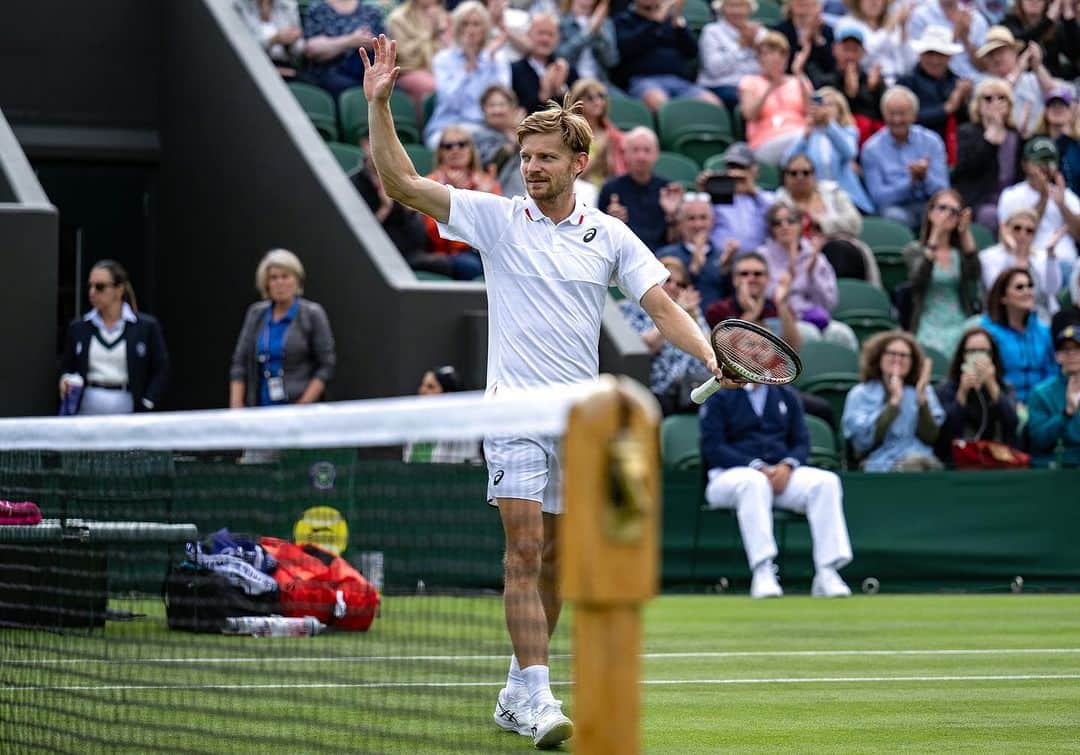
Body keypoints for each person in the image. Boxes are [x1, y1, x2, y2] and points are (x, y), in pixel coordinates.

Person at [360, 34, 732, 749]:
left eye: (545, 158)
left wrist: (709, 352)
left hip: (580, 422)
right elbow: (404, 185)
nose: (531, 168)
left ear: (578, 164)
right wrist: (381, 106)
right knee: (524, 550)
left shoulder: (610, 235)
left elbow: (660, 306)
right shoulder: (498, 220)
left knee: (558, 557)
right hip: (514, 412)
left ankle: (514, 688)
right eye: (526, 158)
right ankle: (537, 695)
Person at [701, 379, 854, 599]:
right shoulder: (719, 395)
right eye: (750, 346)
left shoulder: (786, 395)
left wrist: (788, 465)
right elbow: (713, 447)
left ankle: (827, 572)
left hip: (778, 476)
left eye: (763, 349)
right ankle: (763, 570)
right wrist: (756, 466)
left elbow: (801, 442)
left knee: (826, 482)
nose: (757, 354)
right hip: (728, 476)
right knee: (754, 482)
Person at [58, 260, 169, 415]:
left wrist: (148, 401)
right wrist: (65, 380)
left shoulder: (145, 327)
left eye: (100, 287)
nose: (92, 292)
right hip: (87, 408)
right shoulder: (79, 327)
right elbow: (67, 366)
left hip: (126, 407)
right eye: (90, 286)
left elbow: (161, 369)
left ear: (119, 289)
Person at [228, 249, 336, 409]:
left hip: (300, 406)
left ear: (297, 280)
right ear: (266, 283)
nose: (280, 283)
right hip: (261, 406)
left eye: (285, 276)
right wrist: (236, 405)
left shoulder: (311, 314)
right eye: (274, 278)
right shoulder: (256, 314)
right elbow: (239, 362)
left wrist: (303, 405)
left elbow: (326, 365)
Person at [757, 200, 859, 348]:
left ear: (800, 224)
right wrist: (790, 274)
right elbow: (766, 295)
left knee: (842, 334)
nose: (784, 226)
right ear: (771, 229)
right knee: (808, 334)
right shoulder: (762, 256)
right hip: (779, 319)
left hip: (814, 316)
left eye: (790, 221)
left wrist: (812, 273)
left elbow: (829, 302)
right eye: (777, 223)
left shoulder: (815, 256)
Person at [842, 330, 946, 471]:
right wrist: (893, 403)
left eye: (904, 355)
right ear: (879, 357)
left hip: (921, 459)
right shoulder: (860, 393)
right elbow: (862, 443)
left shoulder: (924, 391)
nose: (898, 359)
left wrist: (922, 402)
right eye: (891, 353)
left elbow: (930, 437)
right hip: (879, 461)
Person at [619, 257, 712, 413]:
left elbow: (710, 350)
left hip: (693, 389)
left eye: (680, 284)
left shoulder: (690, 310)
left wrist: (693, 317)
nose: (673, 287)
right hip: (655, 391)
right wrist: (675, 314)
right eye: (667, 280)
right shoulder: (632, 308)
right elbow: (646, 346)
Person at [901, 189, 982, 358]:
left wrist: (965, 232)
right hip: (928, 322)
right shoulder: (914, 250)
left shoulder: (958, 254)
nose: (948, 214)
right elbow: (918, 279)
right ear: (930, 212)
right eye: (942, 208)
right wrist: (936, 234)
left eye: (954, 211)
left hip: (959, 320)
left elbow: (975, 274)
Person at [351, 146, 452, 278]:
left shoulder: (398, 181)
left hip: (412, 250)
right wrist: (385, 208)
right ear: (365, 147)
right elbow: (358, 235)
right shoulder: (355, 183)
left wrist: (409, 208)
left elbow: (417, 230)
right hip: (380, 255)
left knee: (449, 263)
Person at [424, 1, 512, 148]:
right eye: (465, 24)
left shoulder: (496, 58)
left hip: (487, 128)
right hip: (448, 127)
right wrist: (467, 69)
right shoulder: (443, 59)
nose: (470, 30)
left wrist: (486, 59)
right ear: (457, 28)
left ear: (485, 29)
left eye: (476, 24)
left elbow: (502, 99)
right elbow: (449, 101)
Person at [861, 85, 950, 231]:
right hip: (894, 209)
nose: (897, 120)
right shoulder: (871, 149)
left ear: (914, 115)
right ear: (883, 115)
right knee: (894, 217)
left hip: (927, 203)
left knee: (943, 213)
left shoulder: (932, 142)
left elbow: (943, 190)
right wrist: (910, 182)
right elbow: (878, 197)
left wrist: (924, 177)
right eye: (891, 114)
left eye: (902, 114)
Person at [614, 0, 721, 112]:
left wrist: (678, 25)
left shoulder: (670, 20)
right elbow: (626, 49)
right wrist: (655, 22)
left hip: (679, 81)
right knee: (661, 104)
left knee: (713, 104)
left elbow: (692, 52)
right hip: (643, 81)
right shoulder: (623, 20)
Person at [933, 326, 1020, 464]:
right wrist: (962, 393)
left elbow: (1011, 423)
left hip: (997, 460)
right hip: (957, 460)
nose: (978, 357)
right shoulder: (946, 389)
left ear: (992, 356)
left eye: (984, 351)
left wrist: (991, 385)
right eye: (972, 351)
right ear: (962, 356)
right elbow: (943, 435)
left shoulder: (1005, 387)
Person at [775, 152, 867, 280]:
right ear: (785, 177)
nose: (800, 177)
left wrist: (820, 223)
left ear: (814, 175)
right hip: (798, 256)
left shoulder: (833, 193)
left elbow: (855, 223)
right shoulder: (778, 202)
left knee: (840, 250)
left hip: (841, 251)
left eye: (806, 172)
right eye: (794, 173)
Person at [423, 126, 500, 279]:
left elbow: (498, 225)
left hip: (486, 249)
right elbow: (435, 233)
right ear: (440, 152)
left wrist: (481, 196)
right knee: (472, 267)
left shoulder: (486, 182)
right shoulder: (430, 184)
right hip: (452, 253)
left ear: (471, 149)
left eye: (462, 144)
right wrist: (455, 198)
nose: (455, 149)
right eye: (448, 146)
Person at [784, 86, 875, 214]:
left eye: (830, 105)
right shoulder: (808, 135)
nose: (824, 109)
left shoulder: (848, 131)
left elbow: (849, 153)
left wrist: (828, 125)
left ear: (840, 109)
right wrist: (804, 137)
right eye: (821, 104)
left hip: (847, 197)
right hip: (816, 199)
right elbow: (786, 163)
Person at [996, 136, 1080, 273]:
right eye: (1038, 161)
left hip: (1066, 263)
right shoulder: (1011, 195)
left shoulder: (1067, 196)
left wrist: (1062, 205)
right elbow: (1012, 236)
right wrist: (1043, 198)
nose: (1044, 166)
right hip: (1029, 264)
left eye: (1049, 160)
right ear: (1024, 164)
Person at [951, 77, 1023, 231]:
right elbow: (968, 168)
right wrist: (989, 140)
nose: (995, 103)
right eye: (988, 98)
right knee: (991, 216)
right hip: (980, 197)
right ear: (978, 104)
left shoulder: (1015, 135)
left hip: (1012, 195)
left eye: (1001, 98)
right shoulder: (967, 132)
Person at [597, 127, 685, 251]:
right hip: (623, 254)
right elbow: (599, 238)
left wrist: (672, 216)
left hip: (661, 257)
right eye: (635, 150)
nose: (641, 157)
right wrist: (612, 223)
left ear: (656, 154)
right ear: (625, 154)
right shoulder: (611, 189)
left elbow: (675, 242)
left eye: (647, 150)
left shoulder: (668, 190)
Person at [979, 267, 1057, 403]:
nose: (1028, 291)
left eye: (1030, 286)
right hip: (1004, 406)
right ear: (1003, 297)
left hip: (1041, 405)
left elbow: (1052, 372)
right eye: (1019, 287)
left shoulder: (1043, 332)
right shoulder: (988, 333)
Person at [979, 207, 1064, 323]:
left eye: (1029, 231)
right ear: (1006, 229)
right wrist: (1014, 252)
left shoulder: (1042, 257)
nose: (1022, 234)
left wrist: (1050, 255)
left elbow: (1052, 289)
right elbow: (998, 289)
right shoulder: (988, 257)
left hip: (1041, 318)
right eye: (1017, 228)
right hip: (1004, 318)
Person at [739, 31, 812, 165]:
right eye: (767, 54)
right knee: (808, 138)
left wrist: (798, 73)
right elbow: (749, 115)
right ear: (759, 58)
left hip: (801, 135)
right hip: (766, 141)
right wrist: (771, 87)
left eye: (780, 54)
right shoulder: (750, 82)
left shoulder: (799, 81)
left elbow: (810, 112)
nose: (774, 58)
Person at [896, 25, 972, 150]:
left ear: (949, 57)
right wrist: (947, 108)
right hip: (914, 149)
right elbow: (904, 120)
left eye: (940, 54)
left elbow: (966, 123)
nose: (935, 60)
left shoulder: (957, 82)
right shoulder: (906, 82)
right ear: (920, 55)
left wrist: (965, 100)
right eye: (930, 54)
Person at [974, 25, 1055, 138]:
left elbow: (1054, 93)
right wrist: (1020, 67)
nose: (996, 58)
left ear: (1014, 53)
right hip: (1001, 142)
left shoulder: (1031, 79)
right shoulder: (982, 81)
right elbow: (1001, 91)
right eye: (991, 54)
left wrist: (1037, 66)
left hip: (1035, 140)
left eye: (1001, 52)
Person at [656, 193, 730, 310]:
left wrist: (727, 271)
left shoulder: (722, 255)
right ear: (680, 223)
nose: (698, 224)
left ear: (712, 221)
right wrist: (694, 267)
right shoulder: (667, 255)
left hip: (715, 324)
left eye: (703, 218)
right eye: (691, 218)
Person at [704, 141, 777, 256]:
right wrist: (704, 191)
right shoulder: (719, 196)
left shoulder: (764, 198)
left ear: (755, 171)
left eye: (742, 167)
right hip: (720, 259)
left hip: (757, 262)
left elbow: (778, 214)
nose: (736, 172)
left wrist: (752, 190)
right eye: (732, 167)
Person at [301, 0, 385, 97]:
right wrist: (351, 41)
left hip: (369, 71)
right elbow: (311, 49)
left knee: (389, 89)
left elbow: (386, 43)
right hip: (330, 73)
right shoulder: (319, 8)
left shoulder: (371, 9)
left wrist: (374, 42)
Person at [819, 23, 885, 142]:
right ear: (834, 49)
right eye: (846, 49)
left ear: (863, 52)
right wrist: (849, 94)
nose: (850, 56)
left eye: (854, 50)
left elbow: (881, 113)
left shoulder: (872, 80)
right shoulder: (826, 81)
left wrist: (871, 90)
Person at [403, 365, 483, 462]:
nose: (422, 390)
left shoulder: (463, 429)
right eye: (423, 385)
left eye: (430, 387)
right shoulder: (414, 426)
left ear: (447, 394)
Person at [1027, 322, 1080, 466]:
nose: (1072, 354)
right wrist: (1066, 414)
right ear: (1057, 356)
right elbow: (1038, 440)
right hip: (1057, 467)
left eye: (1077, 348)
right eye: (1066, 350)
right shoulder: (1041, 393)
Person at [697, 0, 766, 111]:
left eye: (741, 6)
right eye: (732, 6)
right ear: (722, 9)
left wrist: (755, 47)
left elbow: (766, 68)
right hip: (721, 86)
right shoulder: (711, 32)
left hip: (755, 85)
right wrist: (741, 47)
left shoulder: (760, 33)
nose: (737, 11)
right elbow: (714, 69)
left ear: (749, 9)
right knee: (748, 100)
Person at [836, 0, 916, 87]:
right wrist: (887, 29)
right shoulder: (847, 23)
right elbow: (864, 55)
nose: (874, 2)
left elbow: (910, 64)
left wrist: (903, 30)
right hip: (866, 82)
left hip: (899, 82)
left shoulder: (893, 25)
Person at [386, 0, 449, 109]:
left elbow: (453, 50)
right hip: (410, 70)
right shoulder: (398, 19)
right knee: (433, 86)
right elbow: (403, 56)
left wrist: (440, 30)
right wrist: (428, 34)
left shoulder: (444, 16)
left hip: (442, 69)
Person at [906, 0, 990, 82]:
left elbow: (984, 67)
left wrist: (965, 39)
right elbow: (918, 58)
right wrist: (955, 36)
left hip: (975, 83)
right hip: (934, 82)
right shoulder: (920, 16)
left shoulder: (977, 20)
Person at [511, 13, 578, 114]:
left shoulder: (567, 70)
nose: (545, 39)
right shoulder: (514, 70)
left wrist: (561, 90)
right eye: (541, 33)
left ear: (558, 39)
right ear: (528, 35)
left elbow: (580, 109)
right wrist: (542, 96)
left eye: (551, 34)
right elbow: (514, 110)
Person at [568, 78, 627, 188]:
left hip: (606, 193)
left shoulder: (613, 135)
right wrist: (598, 159)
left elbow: (618, 174)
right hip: (579, 194)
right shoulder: (569, 135)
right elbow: (571, 179)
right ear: (578, 103)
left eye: (601, 96)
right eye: (590, 98)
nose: (598, 102)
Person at [1002, 0, 1080, 81]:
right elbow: (1021, 41)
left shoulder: (1056, 27)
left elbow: (1074, 53)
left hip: (1052, 80)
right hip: (1021, 80)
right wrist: (1048, 21)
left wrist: (1068, 17)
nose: (1034, 1)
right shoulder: (1009, 22)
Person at [556, 0, 620, 87]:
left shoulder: (606, 23)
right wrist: (589, 32)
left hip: (600, 84)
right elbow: (560, 56)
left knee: (631, 101)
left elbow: (611, 61)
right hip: (571, 84)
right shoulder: (560, 21)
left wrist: (600, 34)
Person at [1032, 86, 1080, 198]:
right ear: (1046, 111)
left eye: (1062, 105)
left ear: (1071, 111)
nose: (1057, 109)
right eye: (1053, 105)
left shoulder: (1077, 144)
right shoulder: (1035, 143)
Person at [237, 0, 306, 78]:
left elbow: (299, 47)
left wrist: (291, 40)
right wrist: (272, 40)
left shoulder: (288, 5)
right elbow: (242, 47)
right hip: (250, 67)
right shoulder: (239, 6)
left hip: (285, 66)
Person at [773, 0, 835, 85]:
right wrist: (803, 47)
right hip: (788, 83)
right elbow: (780, 64)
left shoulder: (826, 31)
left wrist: (818, 40)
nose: (801, 1)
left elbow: (831, 66)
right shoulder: (779, 31)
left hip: (822, 84)